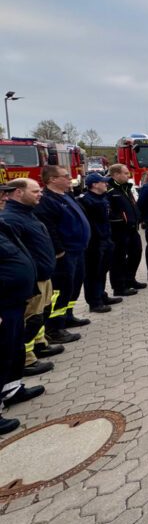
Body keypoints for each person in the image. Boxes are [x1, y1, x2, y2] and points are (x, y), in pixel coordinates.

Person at [0, 179, 62, 376]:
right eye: (35, 191)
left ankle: (38, 344)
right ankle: (27, 359)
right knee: (30, 319)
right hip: (33, 280)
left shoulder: (26, 212)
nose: (40, 194)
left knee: (40, 314)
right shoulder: (12, 218)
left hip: (43, 275)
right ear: (19, 192)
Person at [0, 183, 43, 435]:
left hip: (14, 300)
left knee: (12, 350)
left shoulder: (3, 223)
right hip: (3, 304)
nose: (4, 198)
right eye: (1, 195)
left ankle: (12, 389)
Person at [35, 165, 92, 342]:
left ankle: (67, 315)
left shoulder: (65, 195)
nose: (70, 179)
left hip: (77, 250)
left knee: (74, 286)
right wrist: (59, 251)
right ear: (52, 179)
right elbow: (49, 228)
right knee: (60, 290)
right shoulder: (47, 200)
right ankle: (54, 328)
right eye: (66, 176)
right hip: (64, 253)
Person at [78, 173, 120, 313]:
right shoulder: (87, 201)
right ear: (94, 185)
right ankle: (94, 302)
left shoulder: (103, 198)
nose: (106, 184)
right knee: (93, 273)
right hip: (95, 243)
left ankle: (102, 296)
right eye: (103, 182)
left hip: (106, 239)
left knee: (102, 271)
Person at [106, 164, 145, 296]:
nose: (129, 176)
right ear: (116, 175)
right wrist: (121, 220)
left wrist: (138, 217)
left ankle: (130, 279)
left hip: (132, 228)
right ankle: (119, 287)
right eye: (126, 173)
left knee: (136, 253)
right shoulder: (110, 190)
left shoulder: (126, 188)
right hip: (119, 230)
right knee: (118, 259)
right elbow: (109, 211)